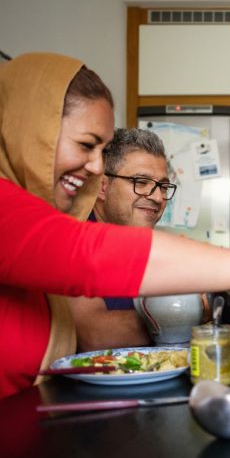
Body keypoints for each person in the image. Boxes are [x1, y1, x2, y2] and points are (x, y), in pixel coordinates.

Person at [0, 53, 230, 406]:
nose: (95, 167)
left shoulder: (26, 217)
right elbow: (92, 257)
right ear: (25, 130)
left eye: (102, 151)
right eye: (85, 145)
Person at [68, 128, 172, 351]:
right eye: (141, 182)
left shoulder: (141, 245)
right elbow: (96, 335)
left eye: (163, 186)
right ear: (103, 187)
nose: (157, 197)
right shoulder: (75, 240)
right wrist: (186, 315)